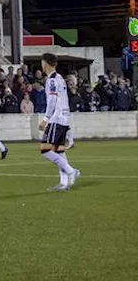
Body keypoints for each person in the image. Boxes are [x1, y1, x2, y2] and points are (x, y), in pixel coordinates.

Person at [39, 53, 80, 191]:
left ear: (45, 64)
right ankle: (64, 183)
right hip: (63, 118)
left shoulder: (51, 80)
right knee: (59, 151)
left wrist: (46, 119)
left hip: (56, 119)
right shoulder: (60, 78)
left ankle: (70, 171)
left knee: (45, 150)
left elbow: (52, 100)